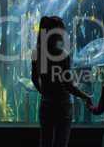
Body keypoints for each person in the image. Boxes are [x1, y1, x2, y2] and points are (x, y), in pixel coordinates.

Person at [32, 16, 91, 147]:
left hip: (46, 104)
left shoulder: (37, 52)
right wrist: (85, 96)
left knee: (45, 142)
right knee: (61, 143)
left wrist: (45, 93)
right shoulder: (62, 54)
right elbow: (68, 85)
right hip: (63, 105)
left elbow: (34, 79)